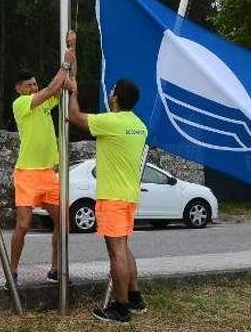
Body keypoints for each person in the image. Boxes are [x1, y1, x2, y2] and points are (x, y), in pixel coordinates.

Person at [67, 75, 148, 324]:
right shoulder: (139, 125)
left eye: (112, 90)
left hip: (112, 197)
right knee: (123, 247)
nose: (110, 91)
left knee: (116, 253)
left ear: (115, 97)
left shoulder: (112, 122)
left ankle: (120, 309)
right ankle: (135, 298)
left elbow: (74, 116)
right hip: (128, 196)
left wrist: (73, 92)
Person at [9, 30, 75, 286]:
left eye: (35, 84)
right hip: (26, 173)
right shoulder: (21, 104)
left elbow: (67, 80)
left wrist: (72, 49)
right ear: (19, 89)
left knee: (63, 221)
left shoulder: (44, 103)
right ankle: (12, 270)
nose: (33, 87)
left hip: (48, 172)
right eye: (29, 85)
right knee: (23, 224)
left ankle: (55, 269)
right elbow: (51, 89)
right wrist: (65, 63)